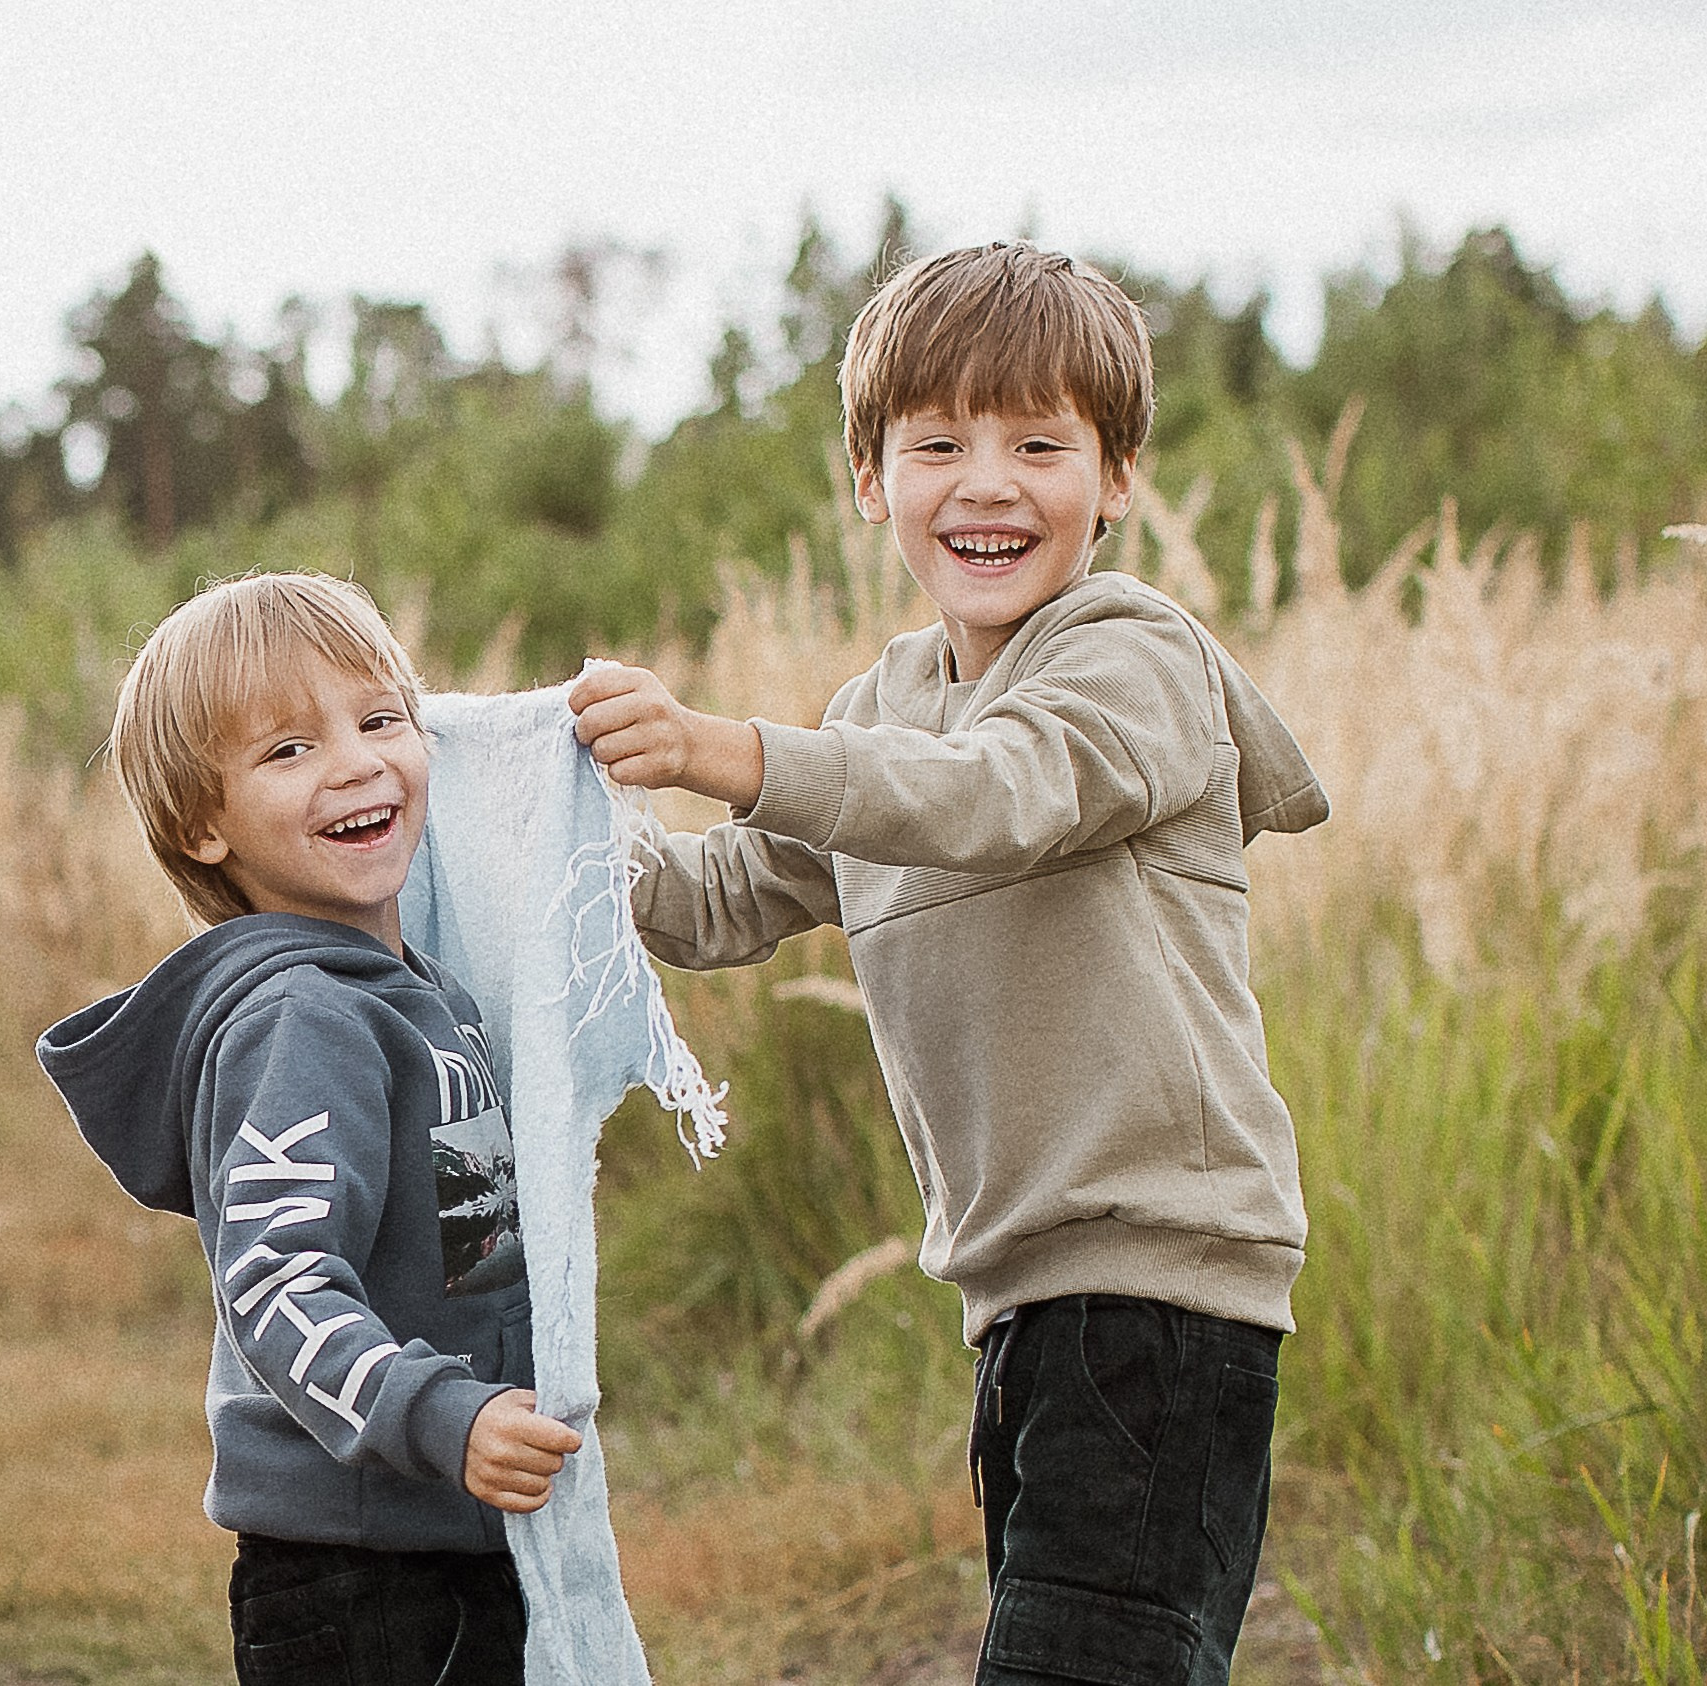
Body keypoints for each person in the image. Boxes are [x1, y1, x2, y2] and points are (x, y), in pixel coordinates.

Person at [568, 242, 1329, 1684]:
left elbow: (995, 795)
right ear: (873, 480)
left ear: (1114, 478)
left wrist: (723, 749)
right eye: (939, 444)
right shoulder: (888, 700)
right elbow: (729, 891)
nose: (988, 482)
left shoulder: (1132, 656)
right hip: (1021, 1308)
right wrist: (519, 852)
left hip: (1161, 1302)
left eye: (1039, 442)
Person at [39, 571, 581, 1685]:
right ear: (201, 826)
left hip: (453, 1534)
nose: (355, 762)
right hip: (357, 1573)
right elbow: (275, 1285)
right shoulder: (303, 1018)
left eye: (382, 719)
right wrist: (440, 1414)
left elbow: (472, 1252)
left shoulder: (422, 993)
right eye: (288, 750)